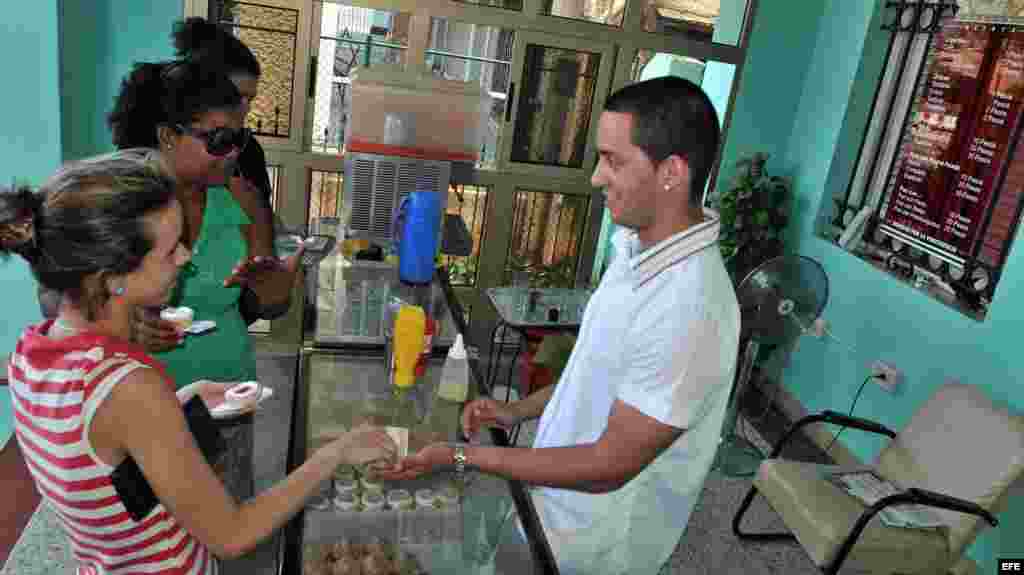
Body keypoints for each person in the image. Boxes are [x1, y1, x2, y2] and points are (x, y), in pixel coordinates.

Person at [376, 77, 741, 574]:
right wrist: (516, 411)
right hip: (547, 504)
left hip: (591, 542)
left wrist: (461, 457)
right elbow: (596, 371)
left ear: (672, 172)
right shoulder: (635, 250)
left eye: (613, 160)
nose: (595, 177)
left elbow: (608, 465)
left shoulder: (691, 305)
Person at [1, 151, 396, 574]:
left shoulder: (30, 353)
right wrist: (334, 454)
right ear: (112, 275)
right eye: (170, 251)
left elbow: (110, 466)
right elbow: (231, 533)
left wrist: (183, 404)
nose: (186, 258)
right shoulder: (128, 386)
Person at [106, 58, 299, 502]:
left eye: (239, 137)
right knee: (154, 531)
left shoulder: (243, 201)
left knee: (226, 512)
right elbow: (60, 303)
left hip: (227, 397)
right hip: (142, 401)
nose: (234, 152)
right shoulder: (124, 203)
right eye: (219, 139)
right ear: (168, 136)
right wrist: (126, 327)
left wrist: (275, 285)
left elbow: (271, 305)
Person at [171, 17, 281, 326]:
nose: (243, 108)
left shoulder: (249, 153)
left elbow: (265, 284)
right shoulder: (144, 177)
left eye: (250, 99)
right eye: (236, 95)